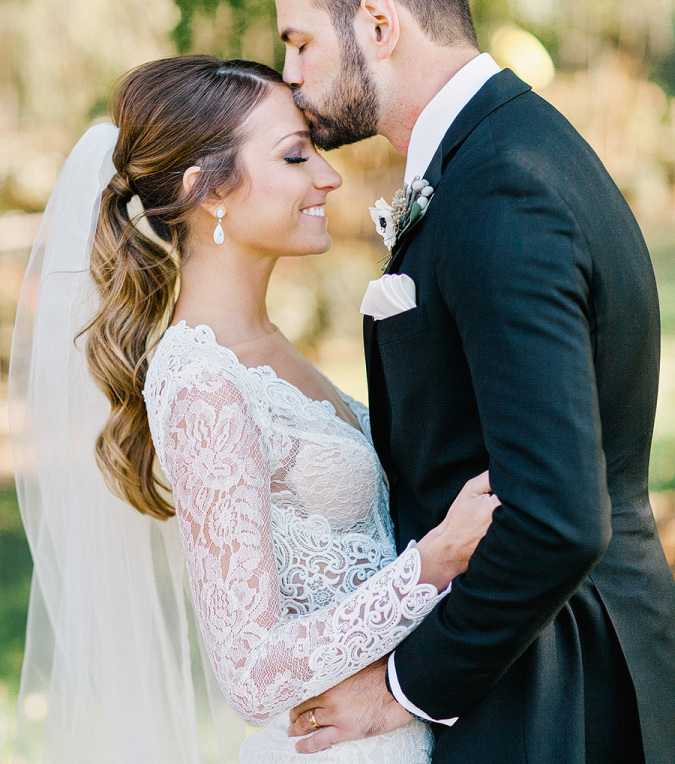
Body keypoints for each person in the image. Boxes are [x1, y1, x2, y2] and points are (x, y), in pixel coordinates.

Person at [252, 0, 675, 764]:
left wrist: (403, 686)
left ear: (378, 22)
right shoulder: (495, 155)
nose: (288, 73)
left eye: (298, 41)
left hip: (556, 692)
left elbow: (556, 517)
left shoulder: (501, 188)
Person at [10, 54, 499, 764]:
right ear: (205, 191)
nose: (327, 176)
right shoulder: (202, 384)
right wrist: (433, 560)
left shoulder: (266, 346)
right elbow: (251, 672)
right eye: (295, 156)